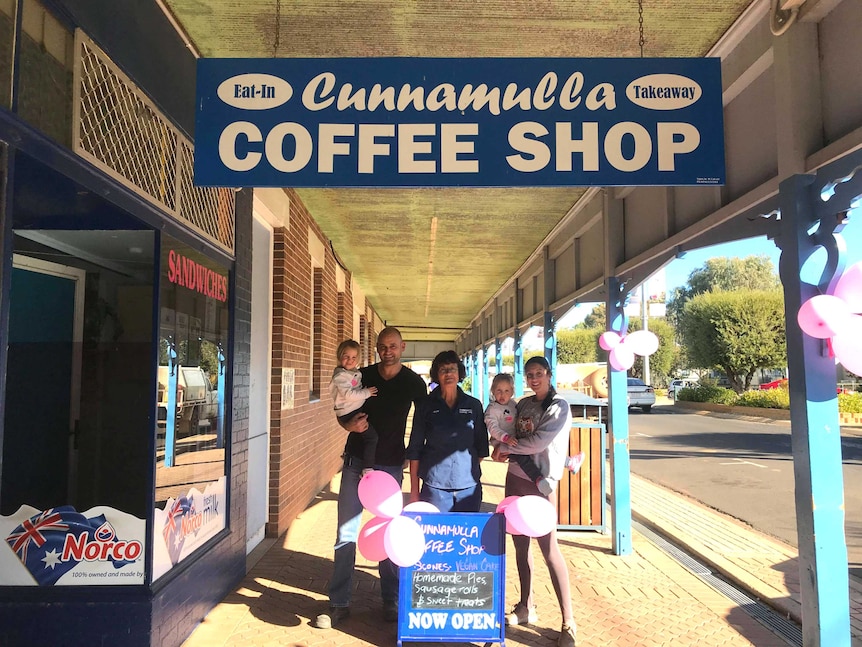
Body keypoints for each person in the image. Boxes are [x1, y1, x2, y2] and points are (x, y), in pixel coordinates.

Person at [315, 327, 427, 630]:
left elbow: (427, 419)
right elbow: (340, 408)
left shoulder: (413, 382)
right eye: (381, 346)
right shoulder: (360, 375)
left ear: (402, 347)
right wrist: (347, 424)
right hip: (355, 462)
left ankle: (390, 598)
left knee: (387, 534)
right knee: (346, 533)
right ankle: (338, 603)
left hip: (390, 467)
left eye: (392, 346)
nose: (387, 351)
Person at [494, 356, 578, 647]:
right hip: (515, 478)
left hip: (542, 484)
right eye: (529, 375)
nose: (534, 378)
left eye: (539, 373)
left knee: (549, 549)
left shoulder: (559, 407)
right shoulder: (525, 404)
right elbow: (512, 432)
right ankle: (525, 605)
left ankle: (568, 622)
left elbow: (538, 442)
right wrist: (499, 445)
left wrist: (505, 448)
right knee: (519, 546)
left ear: (549, 374)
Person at [406, 351, 489, 512]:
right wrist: (414, 491)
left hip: (469, 487)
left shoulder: (474, 405)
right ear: (437, 375)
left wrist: (462, 469)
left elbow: (481, 447)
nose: (448, 373)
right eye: (443, 370)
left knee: (466, 534)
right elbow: (415, 450)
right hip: (434, 488)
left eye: (452, 368)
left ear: (459, 373)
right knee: (436, 535)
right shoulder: (425, 406)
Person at [485, 373, 585, 496]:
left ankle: (569, 462)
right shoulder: (493, 409)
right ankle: (538, 479)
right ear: (493, 391)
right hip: (503, 440)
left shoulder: (515, 405)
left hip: (515, 441)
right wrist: (504, 439)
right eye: (498, 391)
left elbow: (538, 444)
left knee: (539, 450)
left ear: (512, 392)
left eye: (506, 391)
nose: (502, 394)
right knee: (523, 459)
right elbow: (492, 427)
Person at [329, 339, 378, 476]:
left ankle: (347, 453)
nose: (350, 360)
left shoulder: (353, 372)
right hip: (349, 412)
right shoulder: (341, 376)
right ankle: (367, 468)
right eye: (346, 356)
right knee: (371, 437)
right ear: (339, 356)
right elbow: (348, 394)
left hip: (352, 409)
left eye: (353, 357)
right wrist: (367, 393)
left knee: (365, 437)